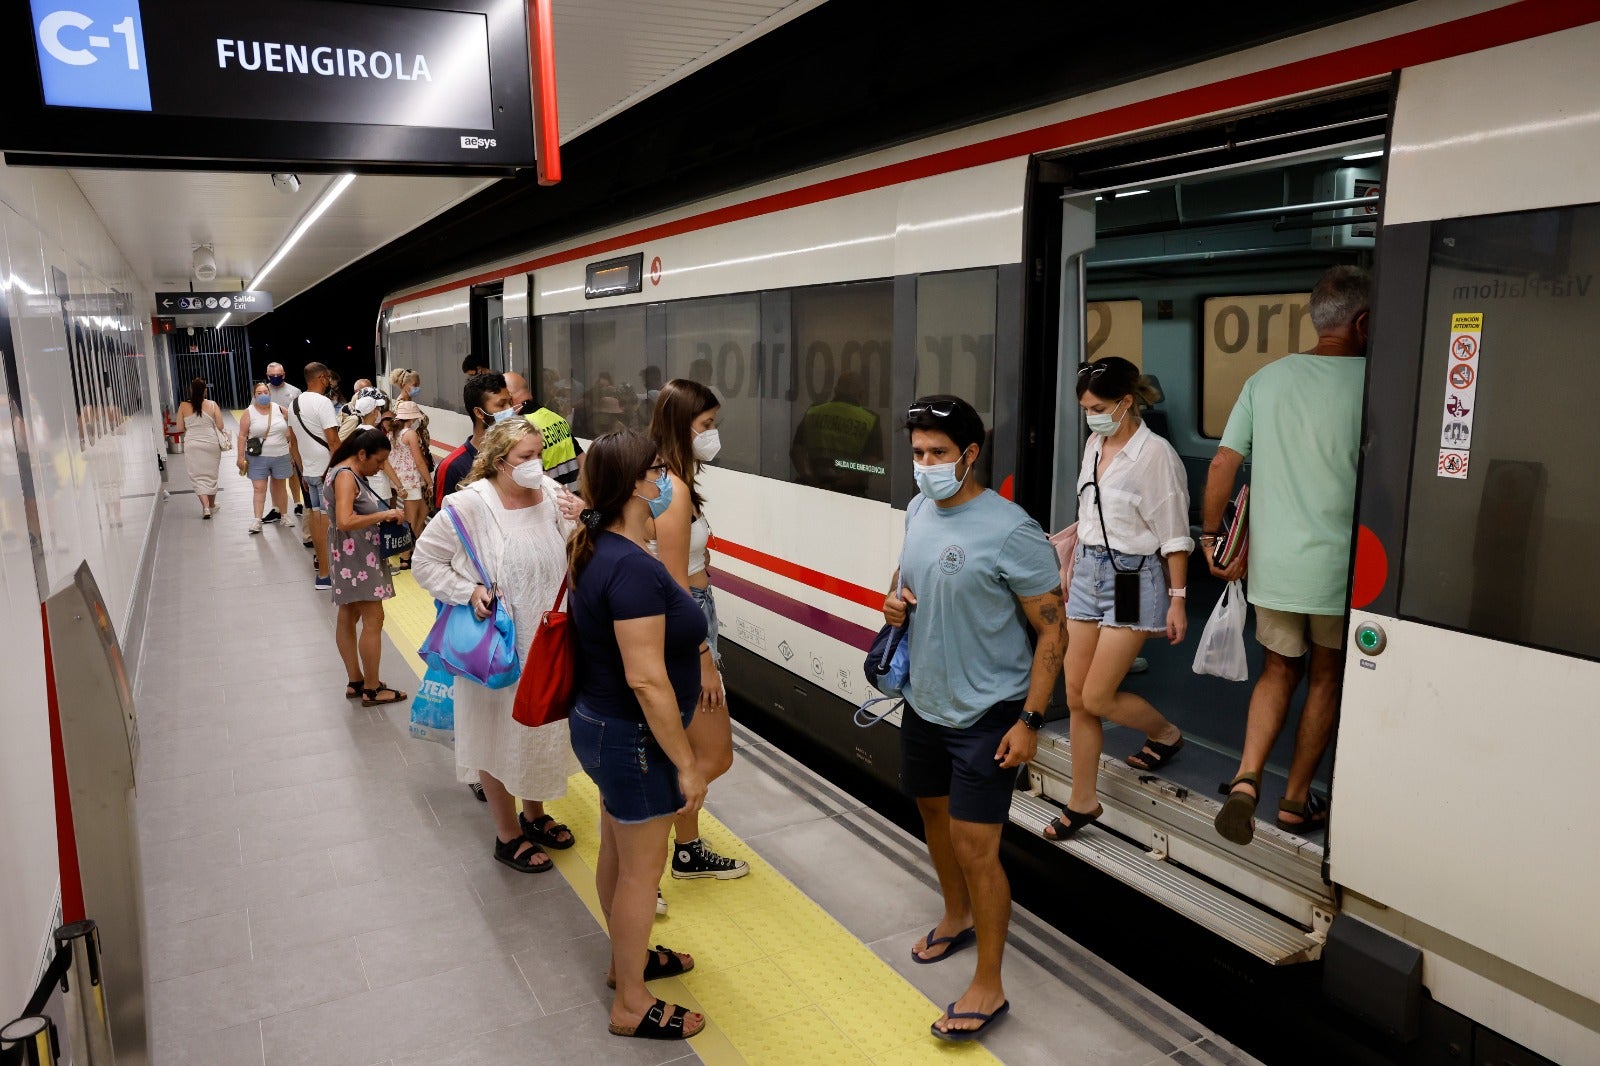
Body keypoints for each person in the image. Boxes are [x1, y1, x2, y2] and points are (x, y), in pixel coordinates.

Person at [882, 395, 1064, 1041]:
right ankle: (955, 915)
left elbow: (1051, 632)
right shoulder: (918, 507)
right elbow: (906, 575)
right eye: (917, 454)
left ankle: (989, 982)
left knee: (977, 848)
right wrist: (893, 601)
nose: (925, 466)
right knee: (932, 814)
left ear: (971, 454)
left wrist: (1031, 721)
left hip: (989, 711)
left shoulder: (1012, 529)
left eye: (937, 454)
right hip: (925, 702)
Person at [1207, 265, 1370, 846]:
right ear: (1364, 322)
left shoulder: (1265, 380)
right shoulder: (1380, 384)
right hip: (1342, 572)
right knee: (1325, 677)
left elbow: (1223, 465)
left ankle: (1247, 779)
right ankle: (1297, 800)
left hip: (1273, 569)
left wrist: (1211, 540)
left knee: (1279, 669)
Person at [567, 431, 707, 1042]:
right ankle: (631, 1001)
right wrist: (687, 762)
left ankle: (627, 961)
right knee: (640, 876)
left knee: (618, 855)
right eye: (656, 473)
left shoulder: (600, 548)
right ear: (632, 485)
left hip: (601, 727)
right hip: (634, 738)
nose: (665, 483)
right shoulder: (629, 568)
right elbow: (647, 680)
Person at [413, 419, 579, 874]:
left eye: (537, 454)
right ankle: (508, 834)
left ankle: (535, 813)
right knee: (495, 730)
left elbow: (576, 546)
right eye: (525, 457)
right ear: (499, 460)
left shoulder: (548, 492)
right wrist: (468, 592)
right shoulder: (467, 506)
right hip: (499, 644)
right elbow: (424, 561)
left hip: (546, 638)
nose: (536, 465)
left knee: (537, 726)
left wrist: (581, 516)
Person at [1046, 357, 1191, 843]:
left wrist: (1177, 599)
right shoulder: (1094, 444)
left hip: (1132, 577)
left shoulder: (1156, 456)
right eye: (1086, 408)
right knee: (1074, 697)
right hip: (1087, 569)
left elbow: (1173, 535)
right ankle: (1082, 799)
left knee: (1097, 695)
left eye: (1100, 407)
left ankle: (1166, 734)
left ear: (1127, 403)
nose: (1092, 416)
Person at [647, 380, 746, 881]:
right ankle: (642, 849)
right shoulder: (675, 489)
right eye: (706, 425)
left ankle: (686, 850)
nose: (713, 434)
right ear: (681, 426)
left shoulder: (660, 477)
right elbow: (672, 584)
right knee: (714, 755)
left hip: (687, 620)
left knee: (683, 749)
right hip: (688, 626)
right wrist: (703, 654)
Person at [326, 427, 408, 706]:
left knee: (347, 615)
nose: (381, 467)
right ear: (361, 454)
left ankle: (356, 681)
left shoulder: (339, 470)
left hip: (346, 553)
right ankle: (372, 688)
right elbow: (345, 520)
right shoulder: (347, 476)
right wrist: (384, 514)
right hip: (358, 555)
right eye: (378, 461)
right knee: (374, 619)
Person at [289, 363, 344, 589]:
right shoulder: (323, 403)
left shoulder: (293, 404)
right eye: (328, 379)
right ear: (322, 378)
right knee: (328, 522)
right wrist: (341, 468)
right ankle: (327, 572)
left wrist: (302, 471)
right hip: (327, 471)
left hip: (310, 473)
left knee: (315, 518)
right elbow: (333, 440)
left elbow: (292, 443)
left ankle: (322, 572)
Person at [790, 370, 886, 496]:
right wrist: (834, 486)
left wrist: (811, 481)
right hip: (849, 494)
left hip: (811, 491)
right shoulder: (870, 420)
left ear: (836, 390)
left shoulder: (813, 412)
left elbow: (797, 452)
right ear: (861, 393)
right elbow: (869, 464)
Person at [235, 382, 301, 535]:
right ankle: (257, 520)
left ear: (270, 394)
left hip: (281, 455)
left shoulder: (278, 409)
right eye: (259, 393)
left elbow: (293, 424)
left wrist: (291, 441)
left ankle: (284, 515)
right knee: (259, 488)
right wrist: (240, 457)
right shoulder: (249, 412)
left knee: (280, 487)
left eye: (266, 392)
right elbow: (242, 435)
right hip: (257, 458)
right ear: (254, 395)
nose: (263, 395)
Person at [435, 372, 512, 502]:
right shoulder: (452, 467)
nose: (510, 409)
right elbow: (446, 518)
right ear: (479, 413)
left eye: (511, 402)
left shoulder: (519, 454)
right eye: (501, 405)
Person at [505, 371, 583, 486]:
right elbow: (582, 459)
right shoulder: (556, 418)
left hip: (549, 498)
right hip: (573, 497)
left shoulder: (521, 428)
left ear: (509, 397)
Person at [177, 376, 227, 519]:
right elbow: (220, 426)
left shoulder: (183, 406)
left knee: (197, 476)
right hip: (211, 443)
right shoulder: (212, 405)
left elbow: (180, 428)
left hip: (192, 444)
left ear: (190, 390)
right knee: (211, 475)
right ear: (205, 390)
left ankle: (205, 508)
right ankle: (211, 505)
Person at [390, 400, 431, 561]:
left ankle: (416, 541)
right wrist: (430, 482)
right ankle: (405, 557)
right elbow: (419, 461)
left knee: (425, 509)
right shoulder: (410, 434)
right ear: (413, 418)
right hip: (411, 480)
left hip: (401, 478)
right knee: (411, 518)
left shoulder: (395, 432)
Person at [266, 362, 306, 517]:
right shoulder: (263, 392)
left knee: (294, 473)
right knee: (274, 476)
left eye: (278, 375)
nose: (275, 378)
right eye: (272, 376)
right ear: (267, 375)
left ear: (284, 374)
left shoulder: (294, 391)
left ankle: (298, 504)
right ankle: (276, 507)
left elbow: (300, 416)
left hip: (291, 439)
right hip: (270, 441)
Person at [388, 367, 434, 477]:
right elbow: (404, 434)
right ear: (404, 385)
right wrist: (421, 457)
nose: (418, 388)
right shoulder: (401, 406)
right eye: (415, 385)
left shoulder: (408, 403)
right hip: (415, 456)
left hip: (421, 452)